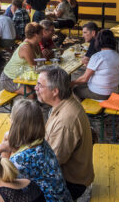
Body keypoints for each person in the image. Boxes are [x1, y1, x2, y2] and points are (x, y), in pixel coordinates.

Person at [35, 67, 94, 200]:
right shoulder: (64, 101)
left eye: (40, 85)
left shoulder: (65, 122)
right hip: (72, 174)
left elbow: (51, 163)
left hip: (71, 183)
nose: (35, 88)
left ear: (55, 91)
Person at [0, 99, 71, 201]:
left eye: (11, 118)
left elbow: (1, 183)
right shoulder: (40, 142)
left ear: (15, 124)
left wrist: (0, 149)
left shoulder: (22, 160)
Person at [72, 29, 119, 100]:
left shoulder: (97, 56)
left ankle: (84, 109)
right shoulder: (116, 55)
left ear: (98, 41)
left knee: (75, 90)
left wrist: (71, 83)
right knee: (81, 85)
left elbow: (84, 79)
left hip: (101, 93)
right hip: (114, 90)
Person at [0, 23, 42, 96]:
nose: (43, 35)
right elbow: (34, 66)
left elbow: (41, 60)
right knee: (31, 94)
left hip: (22, 76)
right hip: (9, 79)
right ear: (36, 35)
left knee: (41, 88)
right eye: (41, 33)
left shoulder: (36, 44)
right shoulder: (26, 47)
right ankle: (31, 107)